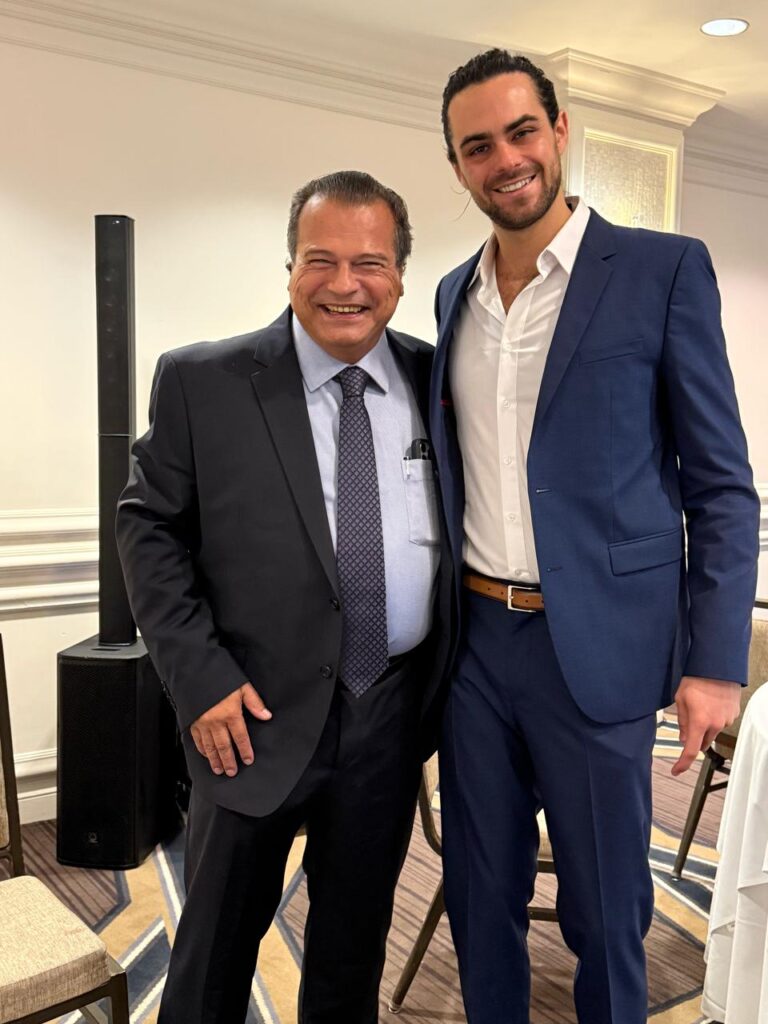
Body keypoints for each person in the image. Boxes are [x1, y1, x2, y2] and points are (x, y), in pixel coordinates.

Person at [429, 49, 760, 1024]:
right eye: (478, 146)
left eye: (522, 131)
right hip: (475, 647)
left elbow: (722, 486)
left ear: (560, 130)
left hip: (600, 649)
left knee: (608, 914)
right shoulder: (451, 295)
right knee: (478, 900)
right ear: (457, 166)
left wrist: (715, 663)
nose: (506, 159)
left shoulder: (662, 270)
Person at [116, 169, 450, 1024]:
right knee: (213, 961)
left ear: (400, 276)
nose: (345, 284)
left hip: (388, 714)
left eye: (369, 263)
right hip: (248, 717)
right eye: (320, 260)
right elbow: (148, 530)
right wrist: (199, 681)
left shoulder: (436, 379)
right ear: (290, 267)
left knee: (351, 956)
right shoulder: (204, 381)